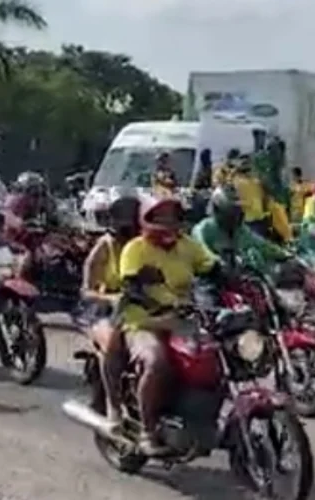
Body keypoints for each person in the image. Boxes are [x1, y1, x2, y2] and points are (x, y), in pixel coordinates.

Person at [118, 196, 225, 454]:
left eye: (173, 217)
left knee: (218, 356)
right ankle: (147, 429)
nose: (168, 223)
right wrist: (157, 303)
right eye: (161, 217)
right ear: (146, 219)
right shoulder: (135, 248)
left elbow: (211, 267)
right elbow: (131, 287)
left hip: (183, 320)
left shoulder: (188, 245)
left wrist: (236, 278)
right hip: (144, 321)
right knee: (157, 362)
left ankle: (202, 418)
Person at [78, 191, 141, 431]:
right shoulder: (106, 245)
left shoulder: (151, 245)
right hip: (101, 309)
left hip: (142, 308)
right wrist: (112, 298)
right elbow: (86, 291)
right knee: (113, 345)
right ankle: (114, 406)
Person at [192, 186, 290, 273]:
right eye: (231, 213)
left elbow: (261, 244)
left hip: (235, 278)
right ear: (218, 210)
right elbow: (202, 251)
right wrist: (217, 261)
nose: (235, 217)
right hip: (209, 283)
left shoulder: (239, 229)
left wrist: (284, 254)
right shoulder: (203, 229)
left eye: (237, 212)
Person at [230, 155, 271, 239]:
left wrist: (233, 203)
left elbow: (247, 202)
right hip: (261, 216)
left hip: (251, 220)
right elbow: (264, 197)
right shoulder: (256, 182)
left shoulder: (239, 183)